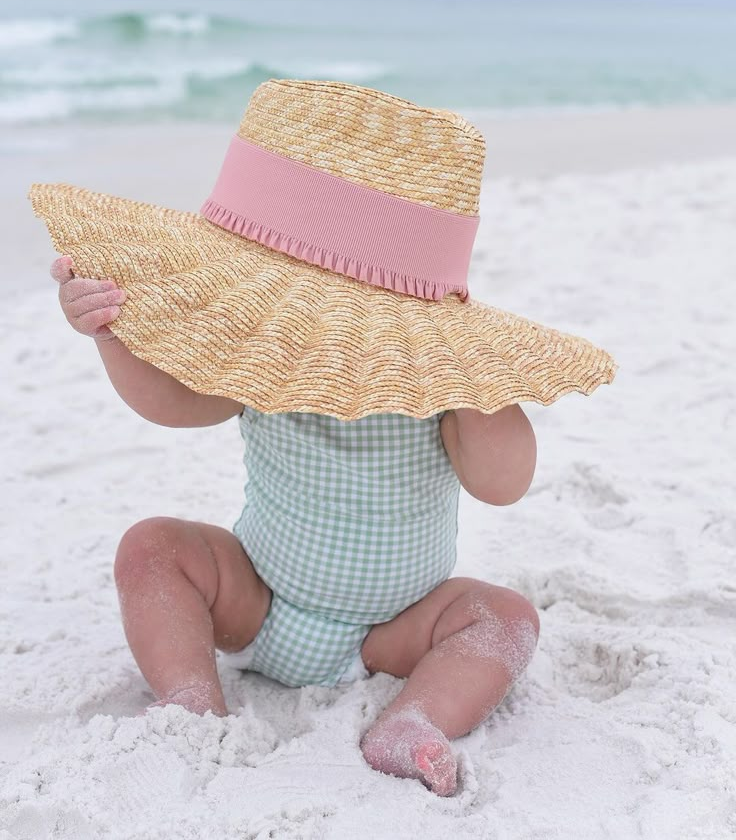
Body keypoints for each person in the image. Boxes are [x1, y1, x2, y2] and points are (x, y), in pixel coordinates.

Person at [36, 78, 615, 797]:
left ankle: (414, 718)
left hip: (397, 630)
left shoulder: (436, 382)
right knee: (150, 548)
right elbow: (176, 402)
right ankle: (190, 693)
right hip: (258, 598)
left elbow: (505, 482)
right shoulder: (264, 348)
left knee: (505, 619)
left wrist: (477, 385)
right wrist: (110, 334)